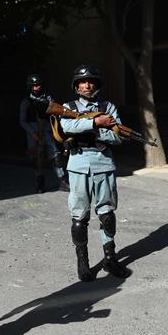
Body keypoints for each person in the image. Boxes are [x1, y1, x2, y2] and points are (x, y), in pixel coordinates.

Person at [59, 64, 129, 282]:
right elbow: (66, 127)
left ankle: (110, 257)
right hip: (78, 164)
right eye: (83, 81)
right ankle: (83, 262)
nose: (87, 85)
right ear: (76, 85)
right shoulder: (67, 106)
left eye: (91, 81)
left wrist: (95, 133)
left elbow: (118, 136)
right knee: (79, 216)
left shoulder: (108, 106)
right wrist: (96, 122)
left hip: (103, 163)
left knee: (107, 214)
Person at [19, 74, 69, 193]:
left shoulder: (48, 98)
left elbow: (55, 112)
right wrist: (32, 133)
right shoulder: (26, 101)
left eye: (38, 85)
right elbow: (22, 121)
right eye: (34, 86)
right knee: (37, 159)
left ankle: (63, 181)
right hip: (33, 133)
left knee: (56, 156)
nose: (37, 88)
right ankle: (39, 181)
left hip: (46, 130)